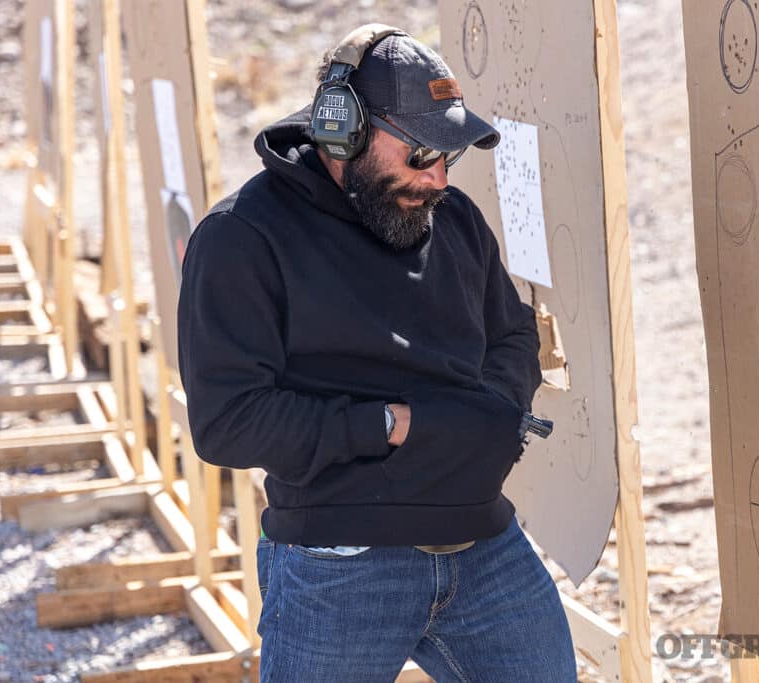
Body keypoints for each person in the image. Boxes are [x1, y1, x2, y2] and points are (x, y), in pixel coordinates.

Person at [177, 24, 577, 682]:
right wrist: (390, 425)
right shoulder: (241, 238)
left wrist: (488, 419)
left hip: (482, 543)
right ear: (343, 130)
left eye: (449, 156)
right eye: (420, 154)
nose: (438, 179)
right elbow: (228, 420)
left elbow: (511, 335)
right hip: (338, 557)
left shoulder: (454, 219)